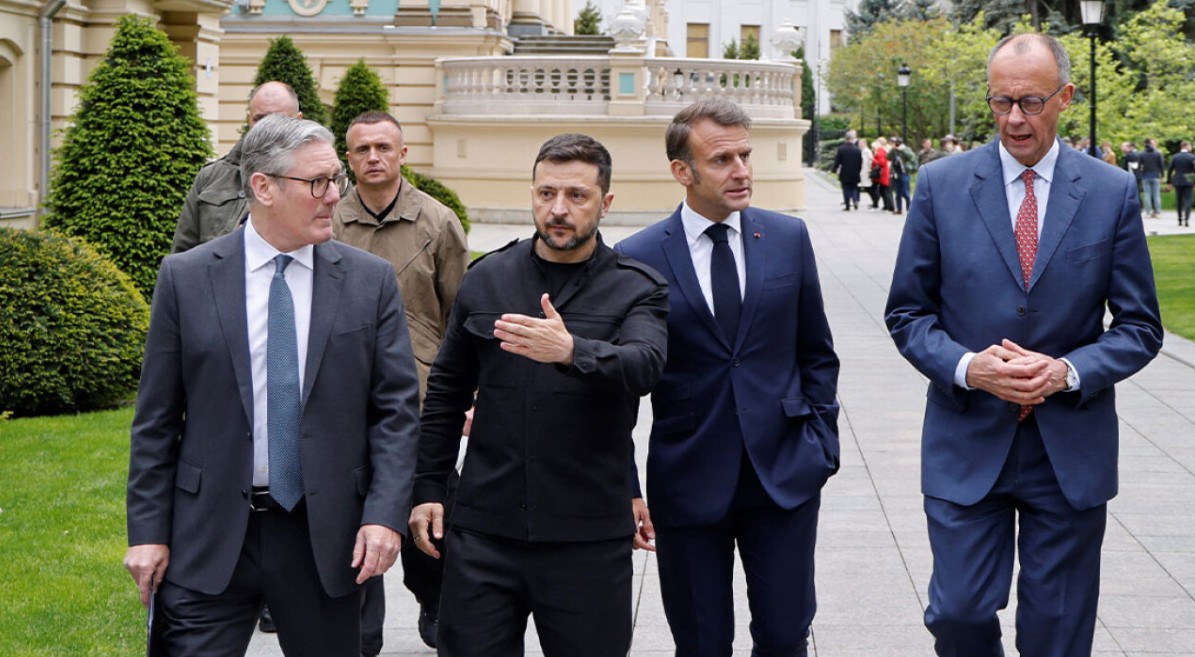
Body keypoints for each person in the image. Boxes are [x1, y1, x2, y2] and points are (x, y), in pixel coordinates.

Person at [884, 33, 1162, 657]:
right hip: (966, 443)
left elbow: (1141, 327)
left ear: (1065, 97)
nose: (1014, 118)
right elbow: (907, 313)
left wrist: (1067, 371)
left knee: (1056, 634)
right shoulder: (940, 185)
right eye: (1001, 102)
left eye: (1031, 102)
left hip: (1068, 452)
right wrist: (968, 367)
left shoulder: (1111, 191)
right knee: (958, 614)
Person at [124, 115, 423, 657]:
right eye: (318, 182)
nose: (334, 196)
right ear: (263, 187)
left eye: (336, 180)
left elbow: (396, 415)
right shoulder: (186, 278)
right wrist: (147, 532)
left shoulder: (369, 280)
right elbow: (156, 421)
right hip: (208, 536)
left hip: (325, 537)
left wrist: (384, 516)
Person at [408, 133, 668, 657]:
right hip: (485, 531)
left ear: (605, 203)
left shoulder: (638, 287)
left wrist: (573, 351)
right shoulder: (487, 278)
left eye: (576, 195)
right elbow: (446, 394)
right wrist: (428, 487)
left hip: (587, 536)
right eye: (547, 193)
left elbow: (644, 366)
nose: (558, 209)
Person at [616, 98, 840, 657]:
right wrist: (628, 485)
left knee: (785, 637)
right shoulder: (637, 257)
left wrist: (821, 444)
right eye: (722, 160)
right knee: (701, 643)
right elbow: (620, 386)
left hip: (784, 474)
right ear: (682, 171)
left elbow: (816, 352)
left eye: (745, 155)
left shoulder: (788, 237)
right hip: (687, 480)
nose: (741, 171)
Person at [332, 111, 469, 654]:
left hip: (420, 398)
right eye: (362, 149)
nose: (373, 157)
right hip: (340, 397)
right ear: (348, 158)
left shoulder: (437, 222)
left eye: (383, 147)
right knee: (346, 518)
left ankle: (437, 602)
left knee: (426, 512)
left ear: (402, 154)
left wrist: (468, 396)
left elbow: (461, 317)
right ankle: (360, 630)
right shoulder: (328, 220)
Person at [172, 81, 303, 253]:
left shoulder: (319, 181)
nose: (266, 128)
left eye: (277, 119)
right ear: (249, 118)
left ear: (298, 120)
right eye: (259, 119)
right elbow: (183, 254)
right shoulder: (211, 178)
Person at [832, 129, 863, 211]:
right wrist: (859, 170)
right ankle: (855, 200)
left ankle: (847, 205)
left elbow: (838, 161)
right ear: (852, 139)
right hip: (855, 172)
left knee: (846, 188)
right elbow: (860, 162)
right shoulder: (857, 150)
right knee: (854, 187)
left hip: (845, 172)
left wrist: (834, 169)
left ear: (846, 139)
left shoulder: (841, 149)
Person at [1167, 140, 1194, 227]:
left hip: (1178, 180)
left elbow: (1170, 170)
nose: (1191, 147)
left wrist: (1169, 182)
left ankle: (1179, 219)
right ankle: (1186, 219)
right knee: (1188, 200)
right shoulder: (1192, 157)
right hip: (1188, 180)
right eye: (1190, 146)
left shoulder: (1175, 157)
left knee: (1179, 200)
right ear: (1186, 146)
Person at [889, 136, 917, 214]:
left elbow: (911, 156)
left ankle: (910, 209)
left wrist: (902, 150)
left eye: (897, 143)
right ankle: (899, 209)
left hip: (904, 172)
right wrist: (893, 149)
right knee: (897, 193)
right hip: (896, 173)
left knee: (906, 192)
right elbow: (888, 157)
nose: (896, 144)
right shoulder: (894, 150)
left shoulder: (906, 149)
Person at [1139, 137, 1165, 218]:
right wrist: (1162, 175)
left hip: (1145, 176)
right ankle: (1157, 212)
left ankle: (1148, 212)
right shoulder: (1158, 153)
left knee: (1147, 195)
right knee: (1156, 195)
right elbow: (1161, 165)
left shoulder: (1142, 154)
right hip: (1155, 175)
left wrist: (1141, 174)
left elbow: (1139, 166)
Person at [871, 137, 894, 212]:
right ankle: (888, 205)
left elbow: (882, 162)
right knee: (885, 189)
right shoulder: (884, 150)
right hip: (885, 172)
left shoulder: (880, 151)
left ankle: (888, 205)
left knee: (884, 190)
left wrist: (874, 161)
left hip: (883, 172)